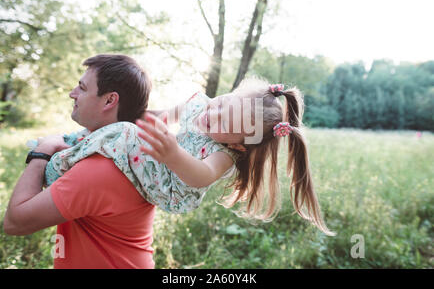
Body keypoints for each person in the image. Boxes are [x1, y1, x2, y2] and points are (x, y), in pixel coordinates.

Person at [45, 76, 335, 236]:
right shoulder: (201, 106)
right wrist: (135, 117)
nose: (213, 114)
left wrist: (172, 154)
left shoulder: (224, 155)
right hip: (162, 160)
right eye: (221, 104)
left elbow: (200, 176)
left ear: (239, 145)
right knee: (124, 130)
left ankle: (59, 168)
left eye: (224, 124)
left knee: (123, 134)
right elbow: (160, 116)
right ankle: (75, 143)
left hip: (171, 183)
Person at [3, 54, 155, 269]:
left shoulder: (100, 168)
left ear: (110, 100)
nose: (72, 94)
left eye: (82, 88)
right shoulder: (130, 150)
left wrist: (40, 154)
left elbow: (14, 222)